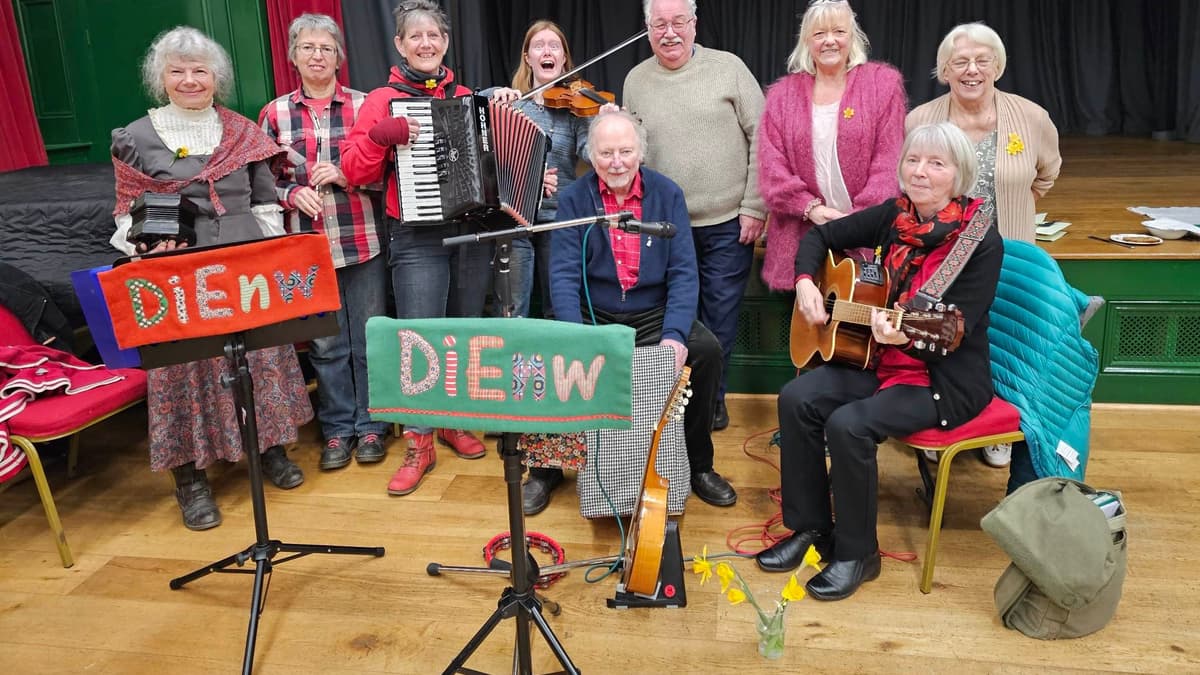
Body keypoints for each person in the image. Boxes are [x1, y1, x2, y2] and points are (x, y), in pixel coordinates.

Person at [754, 123, 1003, 601]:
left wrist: (904, 335)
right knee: (796, 397)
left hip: (939, 378)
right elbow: (820, 237)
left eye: (936, 164)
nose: (921, 172)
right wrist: (806, 282)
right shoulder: (896, 214)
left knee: (849, 425)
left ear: (959, 174)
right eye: (913, 160)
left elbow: (953, 330)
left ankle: (857, 554)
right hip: (880, 362)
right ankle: (811, 530)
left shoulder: (978, 242)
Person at [109, 26, 312, 531]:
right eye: (178, 71)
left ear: (215, 77)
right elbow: (124, 212)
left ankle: (269, 449)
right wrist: (146, 246)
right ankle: (190, 478)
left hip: (245, 266)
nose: (190, 80)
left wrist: (269, 259)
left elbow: (265, 202)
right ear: (162, 79)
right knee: (183, 368)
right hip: (178, 272)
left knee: (260, 357)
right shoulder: (135, 137)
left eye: (199, 70)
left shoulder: (244, 131)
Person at [341, 0, 519, 496]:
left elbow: (496, 162)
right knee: (420, 339)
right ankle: (418, 440)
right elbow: (355, 170)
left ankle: (451, 420)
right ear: (399, 44)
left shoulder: (468, 98)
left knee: (461, 334)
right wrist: (382, 136)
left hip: (471, 233)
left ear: (445, 42)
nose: (426, 44)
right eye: (415, 36)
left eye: (434, 36)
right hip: (417, 235)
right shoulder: (382, 99)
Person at [522, 110, 735, 516]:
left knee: (705, 351)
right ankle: (547, 469)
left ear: (640, 152)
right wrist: (576, 336)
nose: (616, 162)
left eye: (625, 151)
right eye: (605, 153)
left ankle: (699, 465)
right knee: (550, 355)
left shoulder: (667, 194)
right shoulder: (574, 199)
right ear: (590, 154)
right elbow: (564, 274)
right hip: (593, 310)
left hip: (652, 311)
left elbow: (684, 273)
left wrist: (674, 333)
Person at [907, 22, 1061, 468]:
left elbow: (1046, 174)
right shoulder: (920, 121)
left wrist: (1011, 211)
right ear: (944, 69)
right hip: (941, 257)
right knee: (942, 335)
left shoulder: (1031, 117)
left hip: (1008, 254)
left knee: (1005, 339)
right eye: (960, 62)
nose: (972, 70)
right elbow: (910, 185)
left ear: (997, 66)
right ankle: (945, 420)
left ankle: (999, 430)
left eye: (982, 61)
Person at [622, 0, 766, 432]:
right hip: (662, 229)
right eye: (659, 24)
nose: (670, 32)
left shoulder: (730, 68)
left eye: (678, 22)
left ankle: (711, 402)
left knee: (719, 321)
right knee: (671, 319)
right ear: (647, 30)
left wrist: (755, 206)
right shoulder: (635, 80)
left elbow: (765, 136)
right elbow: (632, 153)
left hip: (726, 222)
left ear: (694, 24)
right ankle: (673, 400)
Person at [258, 13, 389, 472]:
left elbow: (389, 178)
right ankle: (336, 430)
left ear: (339, 56)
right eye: (308, 47)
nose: (317, 55)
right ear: (294, 56)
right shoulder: (273, 114)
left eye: (326, 48)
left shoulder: (365, 105)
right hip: (306, 250)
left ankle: (373, 425)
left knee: (368, 341)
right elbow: (260, 186)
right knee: (327, 347)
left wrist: (348, 175)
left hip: (362, 240)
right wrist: (292, 193)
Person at [758, 0, 907, 291]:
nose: (829, 41)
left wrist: (855, 222)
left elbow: (890, 163)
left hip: (866, 238)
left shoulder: (883, 85)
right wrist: (809, 208)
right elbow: (771, 168)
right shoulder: (781, 96)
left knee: (860, 329)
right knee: (807, 327)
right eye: (819, 34)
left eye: (838, 31)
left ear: (853, 37)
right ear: (806, 41)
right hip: (800, 237)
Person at [486, 20, 590, 319]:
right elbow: (484, 151)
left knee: (559, 310)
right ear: (527, 57)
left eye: (554, 46)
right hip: (515, 220)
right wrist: (494, 93)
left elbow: (591, 154)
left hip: (559, 221)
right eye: (539, 46)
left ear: (563, 59)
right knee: (511, 311)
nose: (548, 51)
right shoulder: (511, 103)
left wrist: (605, 124)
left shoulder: (575, 108)